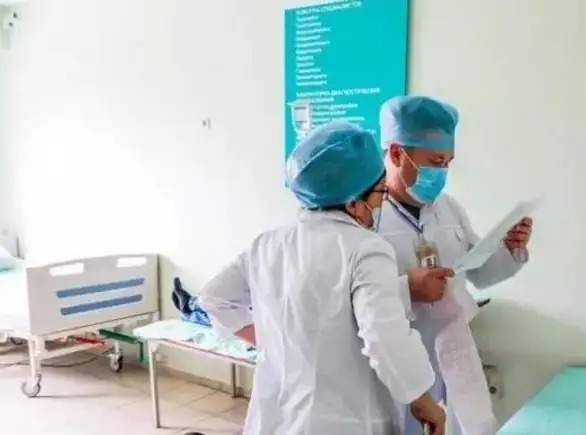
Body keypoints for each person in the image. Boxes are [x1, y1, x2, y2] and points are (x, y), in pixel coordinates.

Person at [199, 121, 446, 435]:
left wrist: (282, 342)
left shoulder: (268, 243)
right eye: (380, 192)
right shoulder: (366, 248)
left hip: (274, 421)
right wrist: (422, 399)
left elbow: (214, 299)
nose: (380, 203)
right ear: (353, 202)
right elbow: (385, 337)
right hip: (342, 423)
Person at [378, 96, 534, 435]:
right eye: (435, 162)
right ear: (396, 153)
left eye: (447, 163)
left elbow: (478, 273)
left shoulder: (448, 209)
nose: (442, 173)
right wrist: (407, 288)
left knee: (464, 425)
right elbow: (347, 296)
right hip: (395, 359)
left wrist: (509, 250)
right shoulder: (366, 216)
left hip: (452, 351)